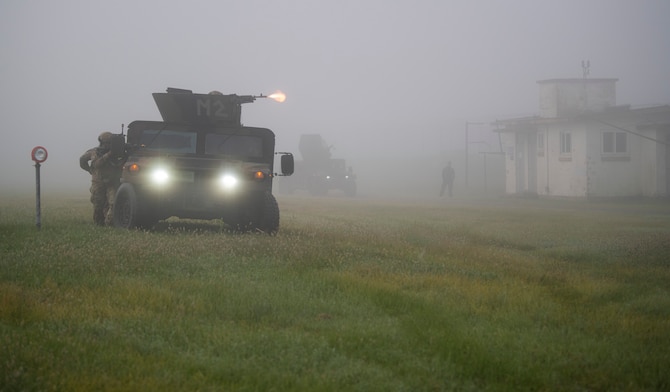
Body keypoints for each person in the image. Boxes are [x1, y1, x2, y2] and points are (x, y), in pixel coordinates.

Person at [79, 132, 127, 226]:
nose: (107, 145)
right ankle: (99, 224)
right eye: (106, 143)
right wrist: (89, 170)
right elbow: (91, 163)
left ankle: (109, 223)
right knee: (98, 204)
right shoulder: (95, 152)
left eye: (110, 143)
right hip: (98, 182)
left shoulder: (118, 153)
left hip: (112, 182)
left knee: (113, 204)